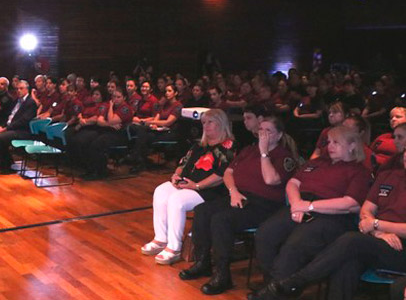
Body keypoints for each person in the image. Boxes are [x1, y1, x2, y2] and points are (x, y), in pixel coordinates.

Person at [251, 149, 406, 300]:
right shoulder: (389, 176)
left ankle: (295, 282)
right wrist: (377, 231)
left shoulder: (359, 171)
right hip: (378, 239)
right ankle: (286, 286)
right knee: (347, 264)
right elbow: (366, 210)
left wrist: (376, 224)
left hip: (402, 248)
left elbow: (371, 220)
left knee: (352, 240)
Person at [178, 116, 299, 295]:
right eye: (261, 130)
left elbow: (270, 179)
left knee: (222, 220)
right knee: (202, 210)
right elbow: (228, 172)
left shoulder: (284, 156)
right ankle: (202, 262)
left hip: (264, 204)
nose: (263, 134)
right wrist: (233, 191)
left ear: (279, 135)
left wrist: (264, 152)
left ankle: (222, 274)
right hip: (238, 195)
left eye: (268, 131)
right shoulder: (249, 150)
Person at [250, 126, 371, 299]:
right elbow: (293, 183)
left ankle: (273, 293)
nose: (330, 146)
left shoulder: (358, 171)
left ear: (352, 145)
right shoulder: (318, 162)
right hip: (300, 205)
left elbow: (350, 203)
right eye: (329, 142)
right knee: (265, 233)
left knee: (295, 245)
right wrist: (296, 204)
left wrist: (308, 206)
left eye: (336, 142)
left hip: (332, 215)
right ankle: (276, 286)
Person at [140, 109, 235, 265]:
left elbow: (221, 175)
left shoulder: (228, 146)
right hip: (188, 182)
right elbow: (183, 164)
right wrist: (176, 176)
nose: (206, 126)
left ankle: (174, 247)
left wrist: (197, 186)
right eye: (204, 122)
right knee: (161, 191)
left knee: (177, 200)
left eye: (210, 122)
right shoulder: (199, 145)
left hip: (208, 190)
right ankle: (161, 238)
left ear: (221, 123)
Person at [128, 84, 182, 172]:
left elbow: (168, 122)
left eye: (169, 91)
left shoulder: (178, 106)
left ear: (175, 93)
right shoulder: (165, 104)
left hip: (170, 132)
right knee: (142, 131)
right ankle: (139, 160)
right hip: (160, 130)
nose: (167, 93)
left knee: (144, 135)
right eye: (166, 91)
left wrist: (152, 122)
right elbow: (158, 115)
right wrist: (154, 124)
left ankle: (138, 160)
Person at [83, 87, 135, 180]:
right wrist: (109, 125)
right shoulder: (109, 106)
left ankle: (99, 172)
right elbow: (99, 121)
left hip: (119, 136)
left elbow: (111, 119)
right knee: (88, 140)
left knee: (97, 144)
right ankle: (91, 170)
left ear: (124, 98)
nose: (115, 99)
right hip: (108, 132)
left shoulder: (125, 108)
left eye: (118, 97)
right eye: (114, 97)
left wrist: (110, 107)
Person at [0, 80, 38, 174]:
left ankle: (6, 165)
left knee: (0, 137)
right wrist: (1, 126)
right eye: (17, 89)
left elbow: (22, 122)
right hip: (11, 128)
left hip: (22, 131)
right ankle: (7, 161)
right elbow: (9, 117)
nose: (18, 91)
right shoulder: (16, 101)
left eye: (21, 88)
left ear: (27, 90)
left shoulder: (31, 103)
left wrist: (5, 129)